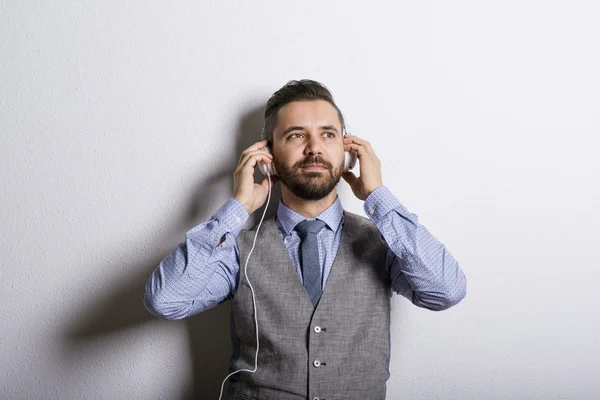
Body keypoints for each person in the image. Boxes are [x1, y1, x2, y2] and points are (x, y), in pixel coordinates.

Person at [143, 79, 467, 400]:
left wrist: (377, 197)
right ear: (267, 154)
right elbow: (166, 300)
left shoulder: (385, 241)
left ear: (346, 147)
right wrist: (237, 207)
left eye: (328, 134)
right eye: (296, 135)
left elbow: (446, 291)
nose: (314, 148)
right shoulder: (236, 249)